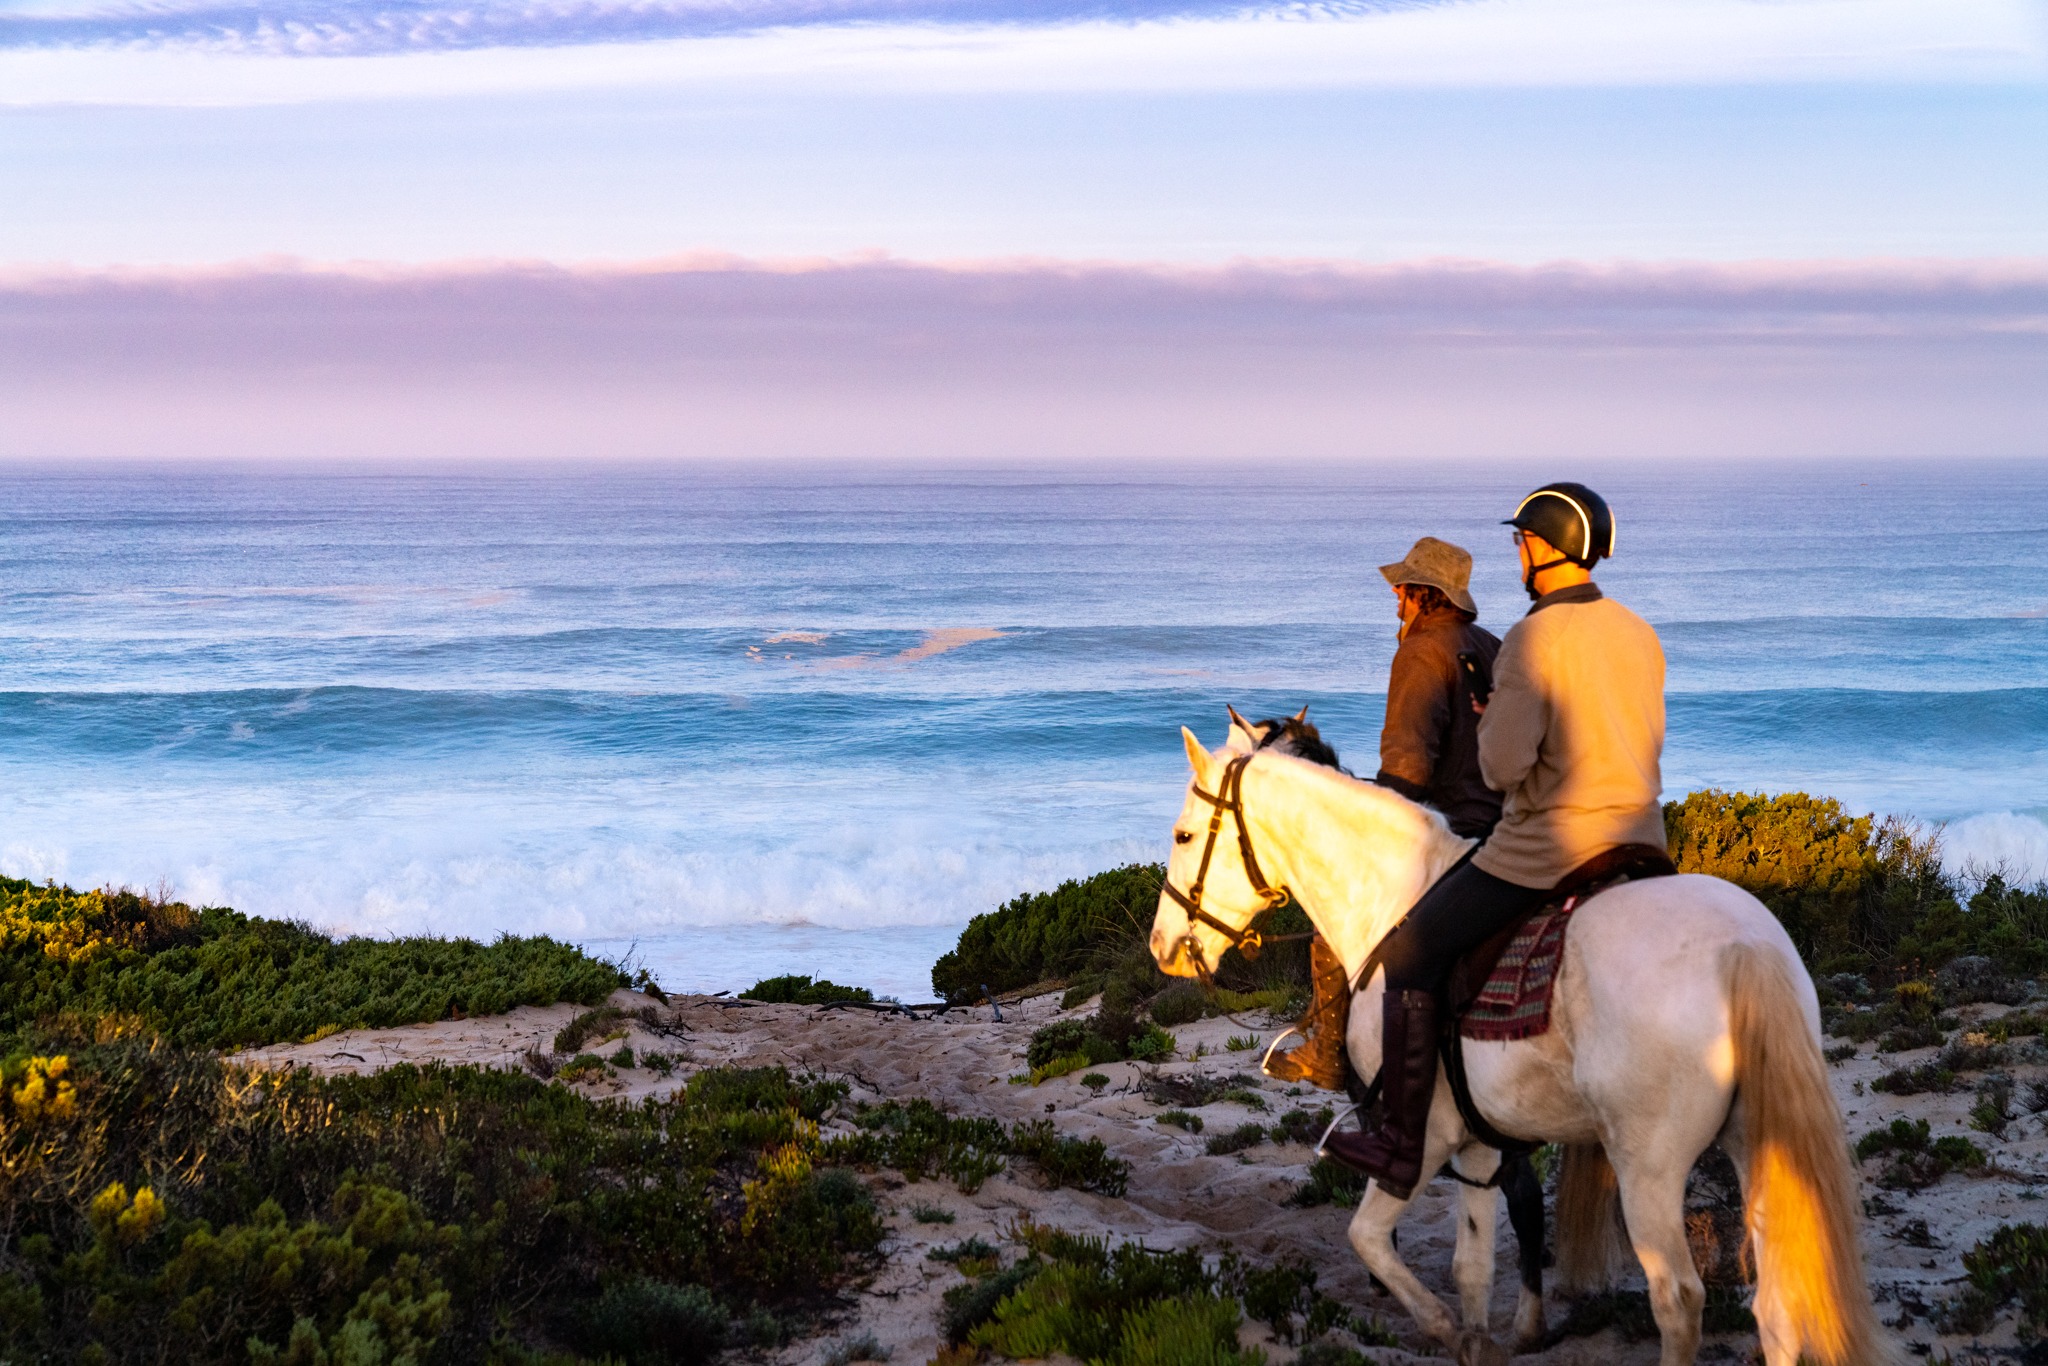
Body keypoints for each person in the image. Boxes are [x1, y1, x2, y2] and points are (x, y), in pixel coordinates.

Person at [1320, 482, 1667, 1199]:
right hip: (1642, 841)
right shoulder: (1638, 630)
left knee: (1410, 954)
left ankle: (1399, 1138)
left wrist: (1496, 719)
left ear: (1541, 548)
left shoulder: (1533, 638)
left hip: (1548, 850)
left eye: (1521, 541)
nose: (1518, 552)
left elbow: (1502, 768)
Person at [1264, 536, 1502, 1090]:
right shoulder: (1492, 645)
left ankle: (1327, 1053)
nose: (1395, 596)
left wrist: (1368, 817)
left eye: (1402, 587)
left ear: (1422, 594)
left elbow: (1408, 765)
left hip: (1445, 835)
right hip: (1500, 832)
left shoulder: (1421, 651)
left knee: (1331, 926)